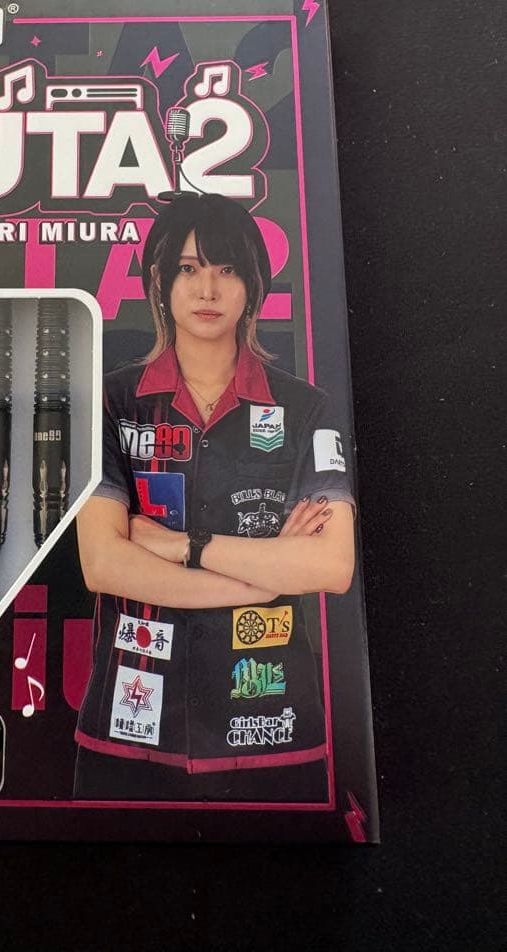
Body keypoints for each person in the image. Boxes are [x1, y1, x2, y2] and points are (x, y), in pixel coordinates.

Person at [74, 193, 356, 802]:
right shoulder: (111, 403)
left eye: (227, 269)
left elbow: (330, 567)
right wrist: (263, 578)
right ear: (160, 283)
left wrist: (184, 546)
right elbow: (103, 564)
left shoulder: (306, 409)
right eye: (188, 268)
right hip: (129, 729)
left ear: (252, 287)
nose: (207, 289)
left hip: (273, 728)